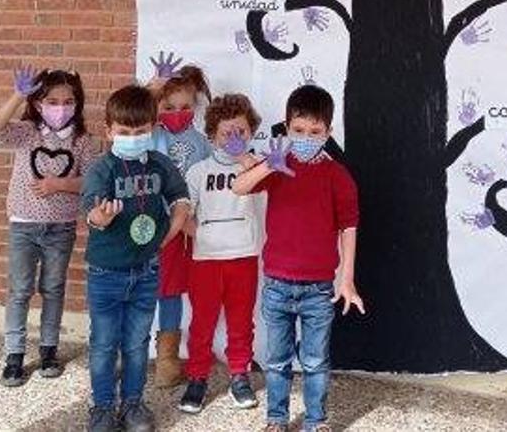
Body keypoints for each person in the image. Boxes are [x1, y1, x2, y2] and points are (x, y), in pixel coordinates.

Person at [232, 84, 364, 432]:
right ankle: (276, 418)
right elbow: (239, 187)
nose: (306, 137)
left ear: (328, 132)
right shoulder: (276, 166)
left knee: (316, 361)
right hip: (276, 285)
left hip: (318, 289)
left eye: (315, 132)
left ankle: (316, 421)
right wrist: (269, 165)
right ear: (287, 127)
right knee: (277, 361)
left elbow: (349, 228)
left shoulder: (338, 176)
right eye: (299, 130)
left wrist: (347, 279)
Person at [81, 84, 191, 432]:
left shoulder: (160, 164)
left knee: (137, 343)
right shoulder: (102, 169)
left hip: (147, 271)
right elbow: (90, 211)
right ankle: (102, 407)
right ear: (109, 131)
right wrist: (101, 217)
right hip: (106, 273)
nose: (132, 138)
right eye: (124, 132)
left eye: (140, 131)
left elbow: (180, 198)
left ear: (153, 128)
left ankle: (133, 403)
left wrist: (170, 232)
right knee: (103, 344)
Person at [0, 66, 94, 387]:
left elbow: (90, 181)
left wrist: (59, 184)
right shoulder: (26, 132)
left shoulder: (82, 140)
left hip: (61, 228)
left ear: (77, 104)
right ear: (38, 103)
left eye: (68, 102)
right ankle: (14, 355)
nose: (60, 108)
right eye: (52, 101)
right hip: (24, 225)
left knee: (53, 289)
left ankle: (49, 351)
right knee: (20, 290)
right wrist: (17, 96)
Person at [179, 93, 265, 415]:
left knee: (241, 321)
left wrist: (248, 161)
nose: (234, 138)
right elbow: (184, 214)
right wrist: (203, 235)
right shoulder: (198, 171)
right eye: (227, 133)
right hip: (206, 260)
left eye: (241, 131)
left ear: (251, 132)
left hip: (244, 256)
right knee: (202, 322)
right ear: (212, 135)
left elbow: (270, 190)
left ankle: (239, 374)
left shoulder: (258, 167)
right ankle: (197, 377)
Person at [147, 62, 213, 387]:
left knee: (202, 290)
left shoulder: (202, 142)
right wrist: (153, 89)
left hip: (194, 229)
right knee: (168, 291)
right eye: (169, 107)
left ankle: (201, 352)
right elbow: (132, 114)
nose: (177, 113)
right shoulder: (150, 135)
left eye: (185, 107)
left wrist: (194, 221)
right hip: (162, 229)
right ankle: (167, 361)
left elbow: (208, 185)